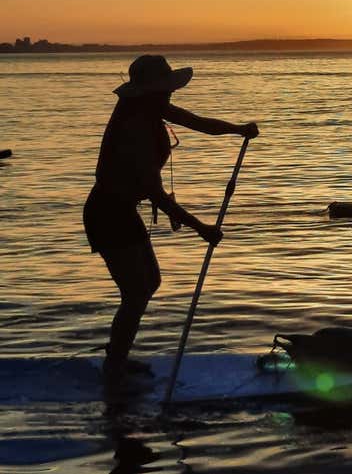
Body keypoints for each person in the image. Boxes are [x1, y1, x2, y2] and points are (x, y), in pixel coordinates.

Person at [83, 54, 258, 387]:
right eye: (164, 88)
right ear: (149, 91)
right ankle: (114, 365)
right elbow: (157, 195)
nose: (170, 94)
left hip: (122, 211)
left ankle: (117, 358)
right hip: (107, 214)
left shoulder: (152, 108)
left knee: (148, 283)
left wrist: (238, 130)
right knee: (136, 291)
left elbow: (197, 122)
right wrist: (201, 229)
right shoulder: (134, 127)